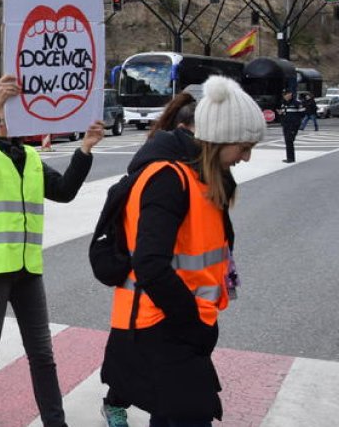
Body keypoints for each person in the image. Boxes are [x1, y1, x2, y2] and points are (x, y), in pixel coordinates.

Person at [100, 75, 263, 426]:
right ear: (218, 139)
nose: (246, 157)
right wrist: (193, 323)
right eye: (243, 146)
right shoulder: (169, 179)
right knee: (190, 416)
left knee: (177, 415)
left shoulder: (198, 177)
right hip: (160, 324)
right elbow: (150, 264)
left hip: (176, 322)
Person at [0, 74, 104, 427]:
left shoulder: (29, 157)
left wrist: (85, 148)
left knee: (42, 352)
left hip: (25, 268)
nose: (9, 118)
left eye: (13, 110)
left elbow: (65, 191)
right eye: (3, 111)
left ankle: (56, 421)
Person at [103, 88, 198, 427]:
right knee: (129, 359)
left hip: (166, 287)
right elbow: (148, 252)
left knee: (151, 368)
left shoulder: (182, 164)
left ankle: (123, 402)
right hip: (143, 287)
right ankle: (114, 404)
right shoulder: (161, 171)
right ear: (189, 130)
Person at [278, 88, 302, 163]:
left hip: (293, 125)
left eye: (286, 94)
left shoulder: (296, 103)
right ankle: (290, 157)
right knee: (288, 141)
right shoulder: (283, 103)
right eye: (284, 95)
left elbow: (302, 113)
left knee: (289, 140)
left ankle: (291, 158)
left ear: (290, 94)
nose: (285, 96)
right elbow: (283, 113)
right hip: (285, 125)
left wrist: (296, 123)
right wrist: (281, 114)